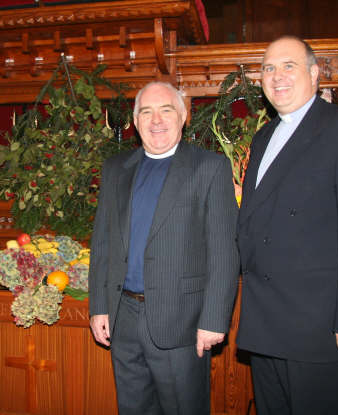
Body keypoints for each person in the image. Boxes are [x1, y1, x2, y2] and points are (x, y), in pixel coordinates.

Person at [237, 35, 338, 415]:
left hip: (321, 329)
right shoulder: (262, 138)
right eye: (268, 68)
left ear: (315, 73)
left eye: (289, 66)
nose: (277, 76)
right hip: (267, 327)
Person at [88, 81, 240, 415]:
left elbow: (224, 251)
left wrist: (214, 319)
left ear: (183, 116)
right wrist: (99, 305)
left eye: (166, 110)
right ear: (135, 120)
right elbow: (102, 243)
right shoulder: (116, 170)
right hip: (122, 317)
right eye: (146, 112)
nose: (156, 120)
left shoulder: (209, 168)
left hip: (181, 321)